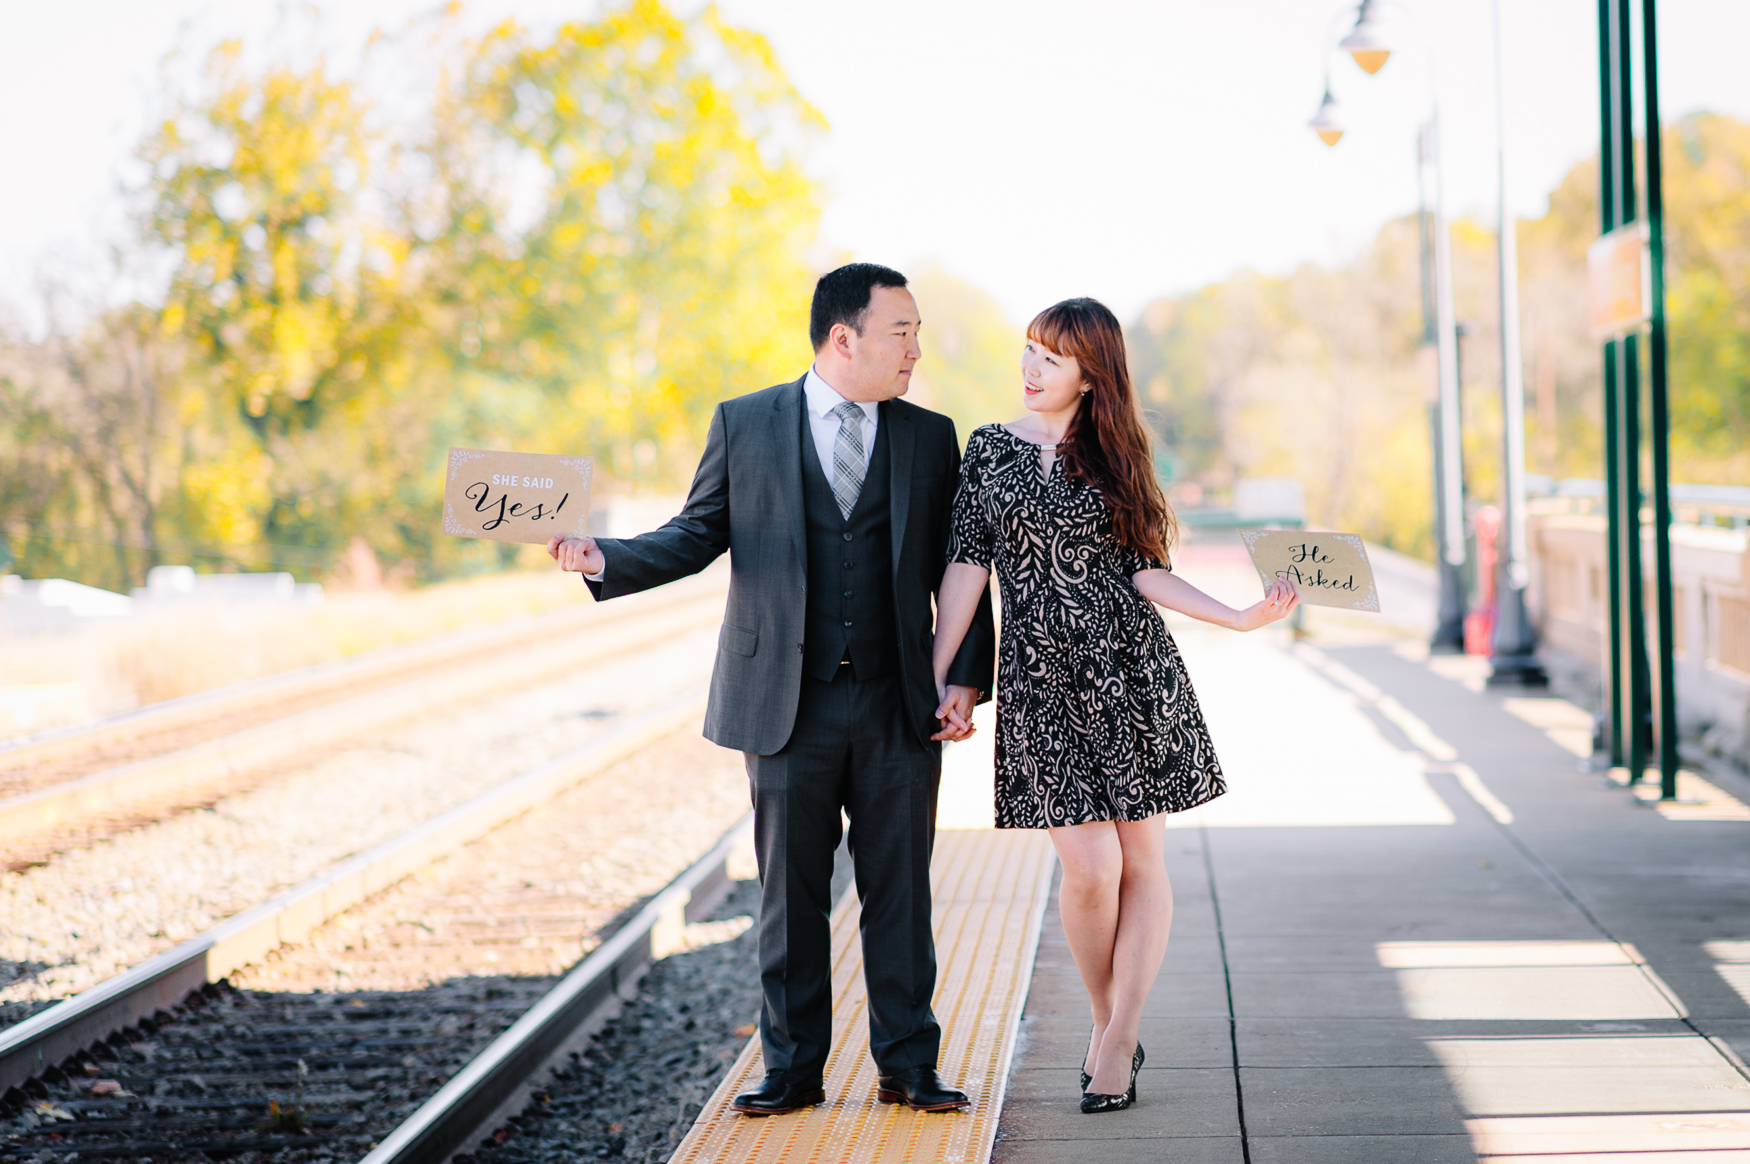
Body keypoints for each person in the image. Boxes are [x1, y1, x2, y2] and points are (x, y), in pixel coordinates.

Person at [548, 263, 996, 1116]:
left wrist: (965, 678)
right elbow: (695, 533)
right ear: (844, 337)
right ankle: (792, 1070)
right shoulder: (746, 423)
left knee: (901, 889)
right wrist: (604, 557)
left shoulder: (931, 435)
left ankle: (908, 1063)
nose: (915, 349)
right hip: (783, 703)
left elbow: (961, 562)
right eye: (902, 331)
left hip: (901, 702)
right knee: (788, 897)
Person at [929, 297, 1297, 1114]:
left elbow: (1146, 571)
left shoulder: (1118, 457)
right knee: (1089, 872)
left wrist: (1239, 616)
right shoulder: (988, 450)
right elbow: (965, 566)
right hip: (1041, 683)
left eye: (1051, 358)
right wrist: (937, 667)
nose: (1030, 367)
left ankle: (1117, 1040)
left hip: (1130, 672)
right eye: (1028, 350)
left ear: (1092, 375)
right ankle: (1108, 1023)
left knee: (1139, 863)